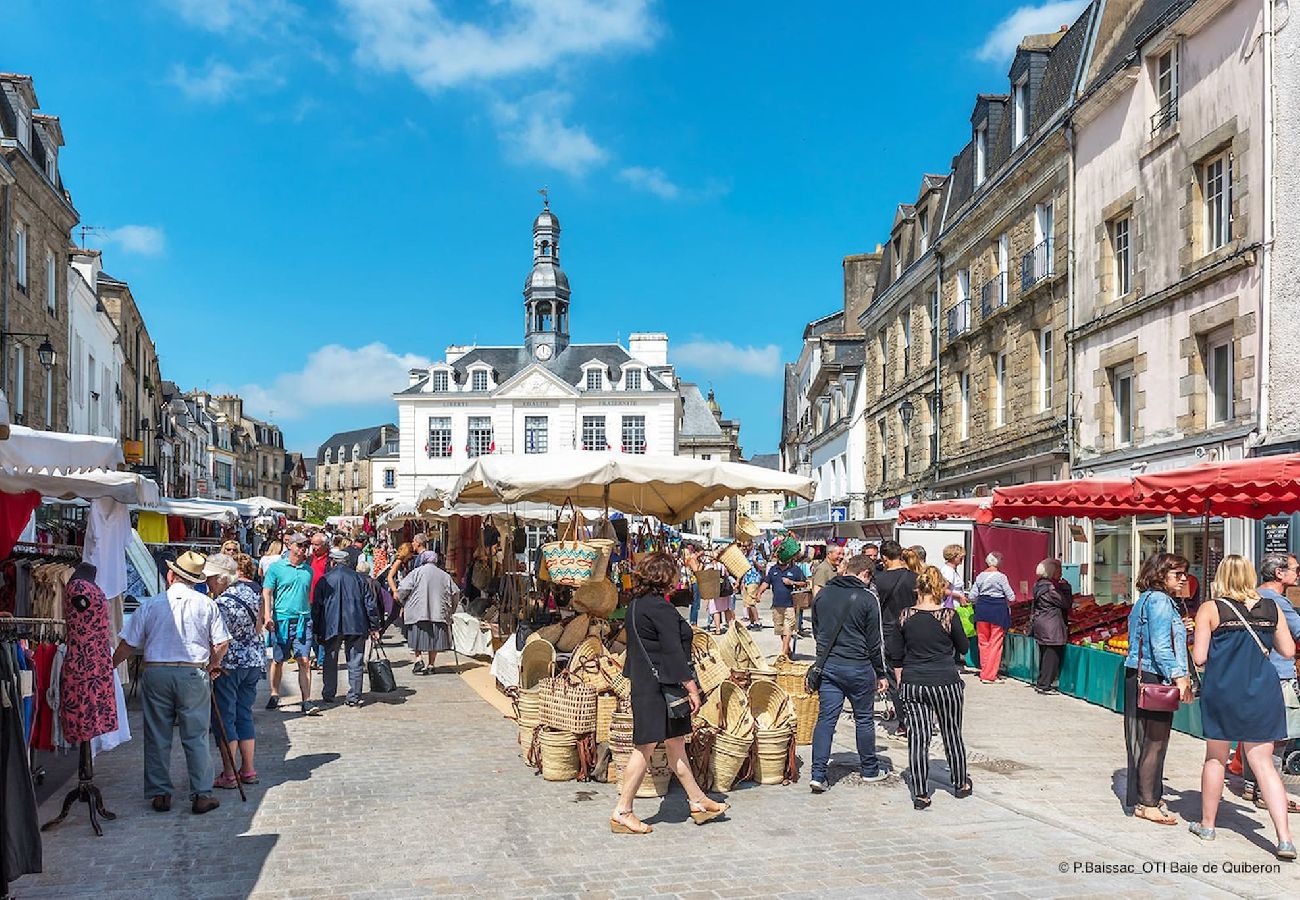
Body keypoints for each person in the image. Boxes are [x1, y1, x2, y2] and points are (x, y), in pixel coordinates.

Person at [1190, 555, 1296, 859]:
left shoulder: (1210, 608)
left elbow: (1199, 658)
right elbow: (1288, 651)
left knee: (1215, 757)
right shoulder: (1272, 607)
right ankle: (1285, 839)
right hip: (1262, 691)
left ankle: (1207, 825)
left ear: (1220, 576)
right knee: (1263, 764)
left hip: (1223, 691)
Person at [613, 552, 728, 834]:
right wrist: (691, 687)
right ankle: (622, 811)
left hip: (646, 683)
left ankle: (697, 800)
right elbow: (673, 651)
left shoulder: (636, 605)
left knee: (676, 741)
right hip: (660, 687)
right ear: (665, 577)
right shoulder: (660, 609)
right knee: (645, 747)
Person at [111, 551, 230, 815]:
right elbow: (222, 643)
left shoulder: (152, 604)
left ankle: (160, 793)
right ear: (196, 580)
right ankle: (201, 793)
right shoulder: (206, 604)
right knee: (196, 735)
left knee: (157, 734)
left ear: (170, 575)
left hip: (156, 672)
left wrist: (109, 665)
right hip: (191, 673)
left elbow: (128, 644)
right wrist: (212, 664)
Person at [887, 565, 972, 809]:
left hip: (914, 682)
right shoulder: (948, 616)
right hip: (945, 682)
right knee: (951, 733)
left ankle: (922, 792)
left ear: (919, 588)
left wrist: (901, 677)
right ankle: (959, 782)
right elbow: (964, 648)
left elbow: (895, 654)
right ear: (939, 589)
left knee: (918, 737)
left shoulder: (904, 616)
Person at [808, 554, 889, 793]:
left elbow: (816, 629)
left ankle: (818, 774)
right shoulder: (868, 598)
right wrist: (881, 673)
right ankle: (870, 769)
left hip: (829, 666)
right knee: (864, 719)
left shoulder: (822, 594)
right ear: (865, 574)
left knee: (825, 720)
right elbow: (876, 641)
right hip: (858, 667)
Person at [1122, 552, 1193, 826]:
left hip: (1140, 673)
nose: (1184, 578)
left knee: (1150, 740)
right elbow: (1161, 647)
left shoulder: (1148, 599)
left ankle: (1148, 795)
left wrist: (1180, 628)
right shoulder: (1162, 601)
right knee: (1155, 742)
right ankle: (1147, 802)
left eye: (1184, 573)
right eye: (1178, 574)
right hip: (1155, 676)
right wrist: (1180, 677)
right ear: (1161, 574)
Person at [1241, 553, 1300, 812]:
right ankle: (1270, 789)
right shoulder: (1279, 602)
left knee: (1253, 729)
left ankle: (1250, 784)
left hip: (1252, 672)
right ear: (1279, 573)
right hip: (1279, 673)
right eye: (1296, 569)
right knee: (1279, 734)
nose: (1298, 574)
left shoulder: (1250, 596)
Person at [208, 553, 265, 790]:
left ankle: (229, 773)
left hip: (229, 666)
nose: (208, 582)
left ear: (221, 578)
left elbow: (221, 640)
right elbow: (259, 624)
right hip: (252, 661)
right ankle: (248, 769)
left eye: (210, 578)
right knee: (244, 714)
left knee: (225, 718)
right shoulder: (252, 592)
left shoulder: (222, 603)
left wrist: (212, 664)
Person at [313, 547, 382, 707]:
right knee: (355, 660)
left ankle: (329, 692)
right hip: (356, 624)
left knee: (330, 659)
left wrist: (316, 628)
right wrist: (374, 626)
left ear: (332, 562)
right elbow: (369, 605)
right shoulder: (359, 579)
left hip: (331, 624)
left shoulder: (325, 580)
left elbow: (317, 606)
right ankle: (354, 695)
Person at [262, 532, 319, 715]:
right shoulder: (276, 568)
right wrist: (267, 615)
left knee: (304, 660)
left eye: (305, 546)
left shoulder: (308, 570)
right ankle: (274, 693)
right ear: (290, 546)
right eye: (299, 545)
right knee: (278, 660)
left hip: (303, 620)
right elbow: (267, 592)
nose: (303, 549)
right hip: (281, 621)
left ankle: (307, 700)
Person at [874, 540, 918, 739]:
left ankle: (904, 722)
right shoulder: (915, 578)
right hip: (913, 629)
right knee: (914, 675)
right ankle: (918, 717)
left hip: (889, 631)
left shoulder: (879, 580)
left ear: (884, 558)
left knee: (894, 678)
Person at [397, 551, 459, 674]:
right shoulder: (444, 575)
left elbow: (403, 589)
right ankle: (431, 664)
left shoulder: (416, 572)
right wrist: (451, 610)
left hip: (418, 611)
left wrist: (402, 601)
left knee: (417, 636)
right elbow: (455, 593)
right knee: (434, 638)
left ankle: (418, 659)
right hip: (438, 612)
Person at [971, 552, 1015, 684]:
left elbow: (972, 596)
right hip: (997, 610)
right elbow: (1011, 596)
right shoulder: (1001, 577)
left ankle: (985, 671)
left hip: (982, 609)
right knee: (995, 642)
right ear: (998, 562)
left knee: (983, 641)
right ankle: (990, 675)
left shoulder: (980, 576)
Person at [1030, 559, 1073, 694]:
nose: (1061, 573)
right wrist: (1066, 589)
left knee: (1045, 653)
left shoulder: (1039, 585)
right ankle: (1045, 684)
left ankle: (1042, 681)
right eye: (1059, 570)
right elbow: (1065, 603)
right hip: (1051, 625)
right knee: (1051, 654)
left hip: (1042, 623)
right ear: (1052, 571)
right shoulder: (1051, 588)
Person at [757, 544, 804, 659]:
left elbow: (804, 583)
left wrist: (792, 582)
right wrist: (759, 593)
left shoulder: (795, 570)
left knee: (788, 628)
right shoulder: (773, 569)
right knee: (780, 630)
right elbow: (766, 582)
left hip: (790, 604)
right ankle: (788, 649)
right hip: (777, 604)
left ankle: (783, 653)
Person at [740, 543, 766, 631]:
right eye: (744, 546)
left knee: (751, 602)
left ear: (751, 545)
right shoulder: (745, 555)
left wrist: (755, 562)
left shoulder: (757, 554)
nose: (745, 548)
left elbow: (763, 567)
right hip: (747, 580)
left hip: (754, 579)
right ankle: (752, 622)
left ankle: (757, 622)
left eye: (747, 546)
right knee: (747, 603)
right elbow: (744, 569)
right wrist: (742, 582)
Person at [939, 544, 967, 608]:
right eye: (960, 556)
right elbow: (943, 590)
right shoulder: (948, 571)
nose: (962, 558)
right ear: (954, 557)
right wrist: (959, 596)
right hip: (951, 606)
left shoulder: (951, 570)